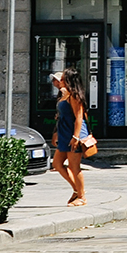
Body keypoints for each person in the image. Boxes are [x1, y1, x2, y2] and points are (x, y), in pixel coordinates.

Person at [50, 69, 89, 206]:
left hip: (73, 134)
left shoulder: (74, 96)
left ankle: (82, 197)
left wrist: (76, 137)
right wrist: (56, 133)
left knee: (74, 166)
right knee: (57, 164)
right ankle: (76, 190)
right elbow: (61, 116)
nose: (60, 81)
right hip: (64, 133)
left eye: (63, 78)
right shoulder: (64, 95)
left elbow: (79, 117)